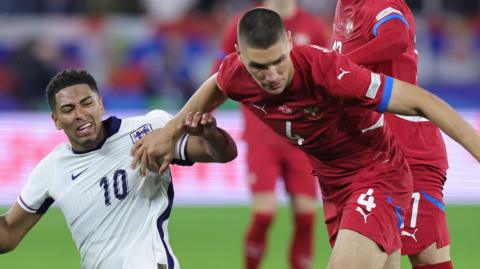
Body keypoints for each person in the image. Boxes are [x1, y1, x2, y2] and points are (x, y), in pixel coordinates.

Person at [130, 8, 480, 269]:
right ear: (239, 54)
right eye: (259, 67)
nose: (271, 76)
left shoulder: (328, 70)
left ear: (289, 42)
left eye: (279, 61)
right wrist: (170, 130)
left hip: (379, 175)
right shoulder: (238, 74)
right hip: (333, 186)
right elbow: (217, 84)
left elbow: (422, 102)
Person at [0, 69, 238, 269]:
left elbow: (223, 154)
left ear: (100, 103)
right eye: (68, 109)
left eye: (86, 103)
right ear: (55, 119)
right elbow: (8, 234)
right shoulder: (51, 168)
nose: (80, 114)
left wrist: (210, 135)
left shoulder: (150, 129)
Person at [332, 1, 452, 268]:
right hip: (372, 154)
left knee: (427, 256)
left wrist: (340, 65)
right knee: (384, 256)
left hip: (408, 147)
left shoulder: (379, 3)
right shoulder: (345, 6)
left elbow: (396, 36)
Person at [212, 1, 329, 268]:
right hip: (261, 135)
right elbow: (218, 77)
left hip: (302, 139)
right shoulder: (244, 25)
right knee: (264, 215)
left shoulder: (313, 26)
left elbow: (327, 75)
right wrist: (205, 117)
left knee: (306, 216)